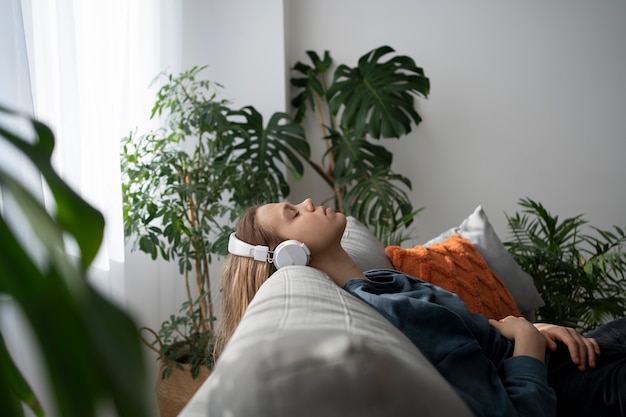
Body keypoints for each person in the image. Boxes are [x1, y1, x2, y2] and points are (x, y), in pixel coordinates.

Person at [214, 198, 626, 417]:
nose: (306, 201)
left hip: (569, 355)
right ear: (290, 254)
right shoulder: (391, 313)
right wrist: (527, 345)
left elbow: (472, 339)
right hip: (577, 389)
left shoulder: (380, 284)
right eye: (293, 213)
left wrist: (533, 328)